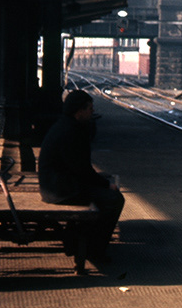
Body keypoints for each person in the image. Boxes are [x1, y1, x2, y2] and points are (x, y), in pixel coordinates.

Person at [38, 90, 125, 266]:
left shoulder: (66, 126)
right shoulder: (71, 132)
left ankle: (78, 240)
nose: (93, 112)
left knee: (104, 192)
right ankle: (94, 250)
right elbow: (82, 170)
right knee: (114, 199)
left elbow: (80, 169)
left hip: (59, 185)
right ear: (79, 111)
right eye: (90, 109)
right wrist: (107, 185)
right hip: (61, 191)